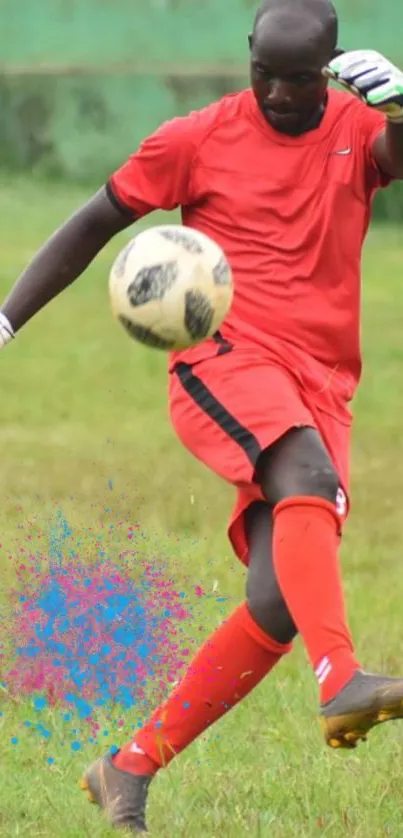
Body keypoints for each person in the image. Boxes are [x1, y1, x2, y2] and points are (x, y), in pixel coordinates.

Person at [3, 0, 403, 832]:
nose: (279, 93)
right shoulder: (196, 138)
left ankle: (126, 768)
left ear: (326, 70)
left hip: (321, 382)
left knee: (277, 601)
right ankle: (341, 681)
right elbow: (91, 222)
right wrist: (5, 320)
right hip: (225, 360)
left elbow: (393, 156)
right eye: (264, 73)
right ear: (247, 58)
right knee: (306, 477)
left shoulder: (358, 126)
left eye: (299, 79)